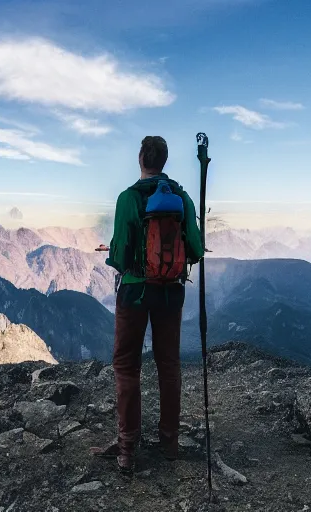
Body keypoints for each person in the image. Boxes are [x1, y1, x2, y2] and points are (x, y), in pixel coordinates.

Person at [104, 135, 204, 472]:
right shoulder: (182, 198)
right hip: (170, 293)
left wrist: (126, 257)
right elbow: (197, 249)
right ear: (164, 160)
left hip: (134, 292)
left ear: (140, 158)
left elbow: (118, 256)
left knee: (127, 365)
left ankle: (127, 447)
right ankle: (169, 441)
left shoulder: (128, 198)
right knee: (168, 364)